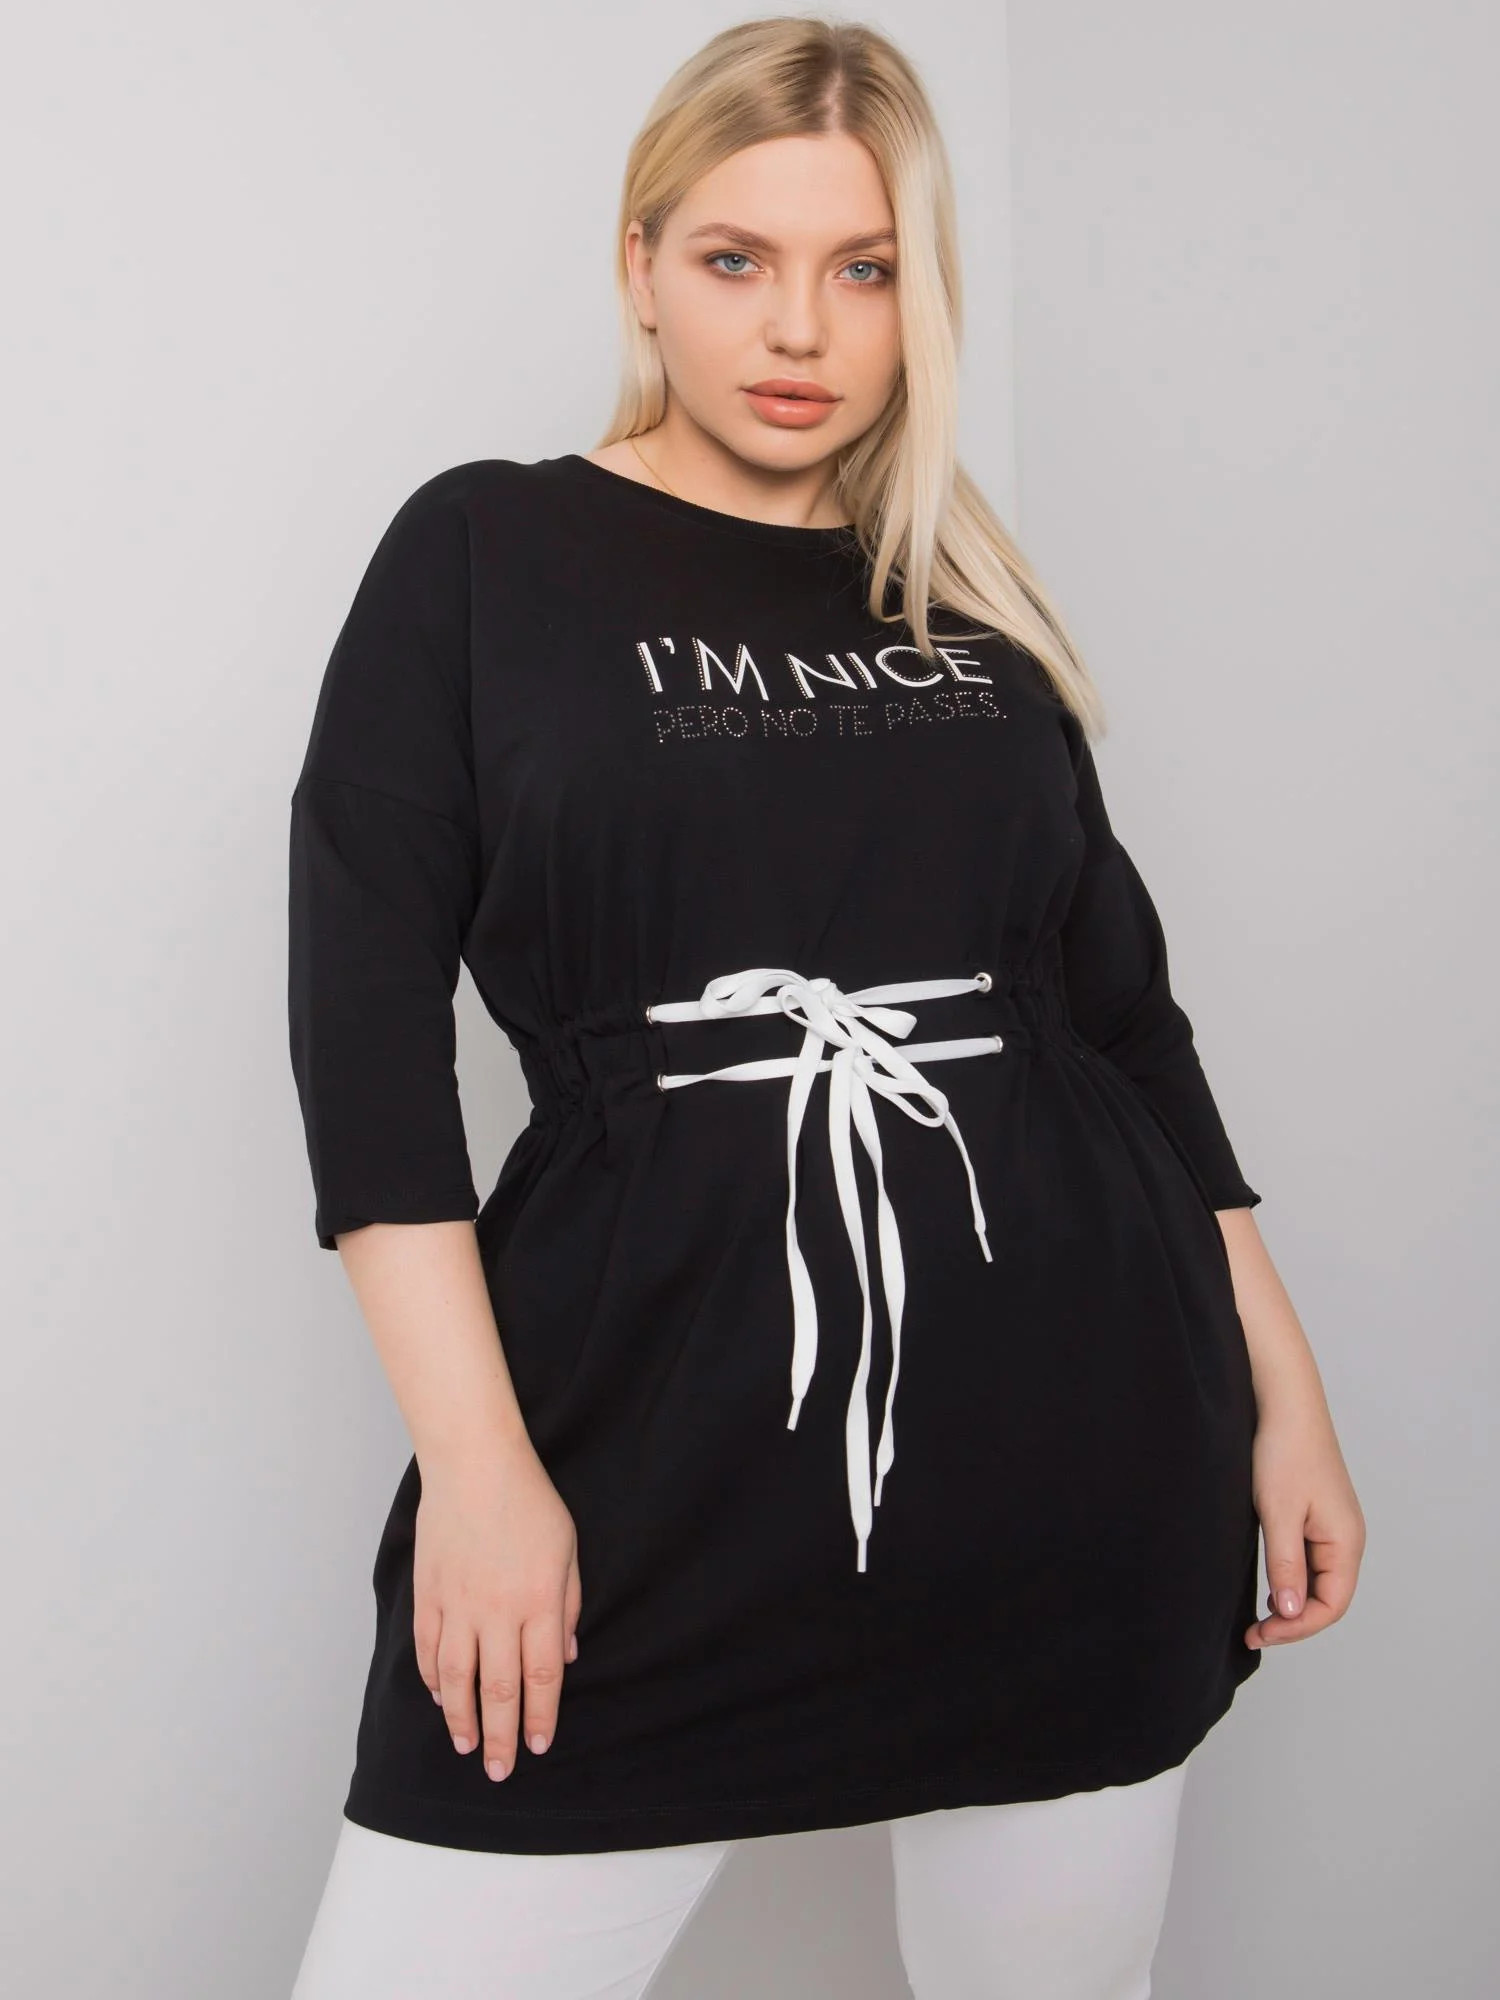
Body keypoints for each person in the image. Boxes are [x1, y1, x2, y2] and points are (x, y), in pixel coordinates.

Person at [285, 16, 1365, 1997]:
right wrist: (485, 1477)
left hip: (1073, 1455)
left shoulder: (966, 606)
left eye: (863, 268)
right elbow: (368, 1063)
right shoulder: (483, 552)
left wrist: (1285, 1391)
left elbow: (1124, 1026)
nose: (801, 326)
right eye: (737, 258)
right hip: (640, 1453)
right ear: (639, 268)